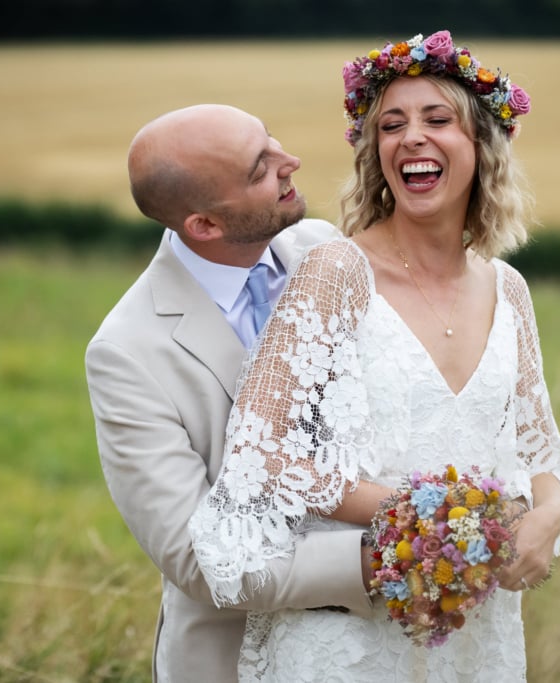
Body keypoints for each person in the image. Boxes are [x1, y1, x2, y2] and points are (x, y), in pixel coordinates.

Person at [188, 31, 560, 680]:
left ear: (482, 146)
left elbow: (543, 453)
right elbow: (260, 449)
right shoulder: (337, 271)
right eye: (391, 124)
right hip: (351, 637)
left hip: (474, 633)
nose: (411, 137)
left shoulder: (509, 289)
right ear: (377, 154)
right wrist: (426, 515)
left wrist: (546, 516)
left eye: (436, 119)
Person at [85, 104, 377, 683]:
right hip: (236, 659)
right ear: (205, 226)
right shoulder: (126, 352)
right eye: (260, 168)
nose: (290, 162)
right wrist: (383, 559)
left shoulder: (322, 248)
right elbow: (198, 560)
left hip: (375, 648)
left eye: (272, 141)